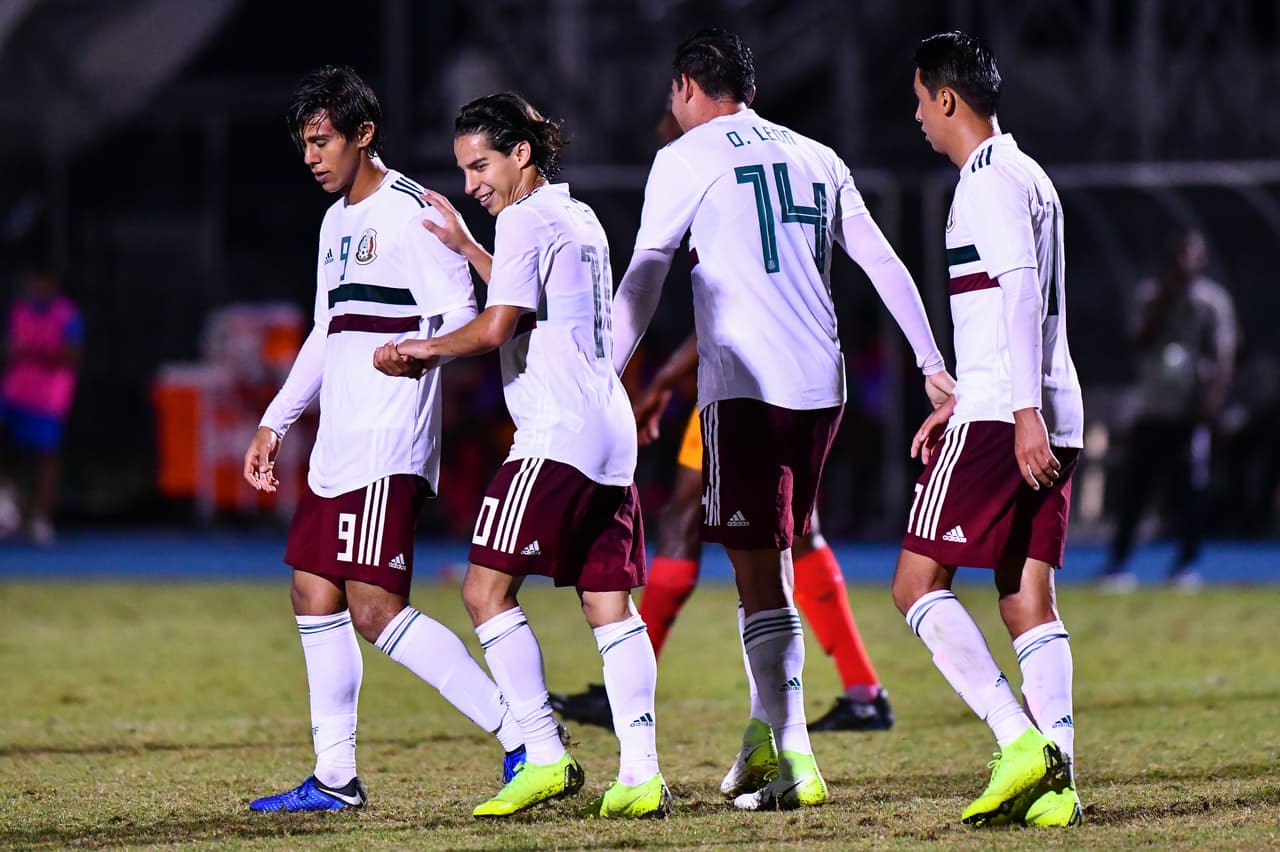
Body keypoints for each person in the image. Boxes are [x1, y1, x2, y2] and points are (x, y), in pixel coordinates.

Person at [611, 28, 953, 811]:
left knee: (759, 582)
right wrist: (932, 363)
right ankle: (765, 738)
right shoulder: (816, 154)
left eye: (673, 94)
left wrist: (601, 374)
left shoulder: (684, 157)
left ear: (689, 87)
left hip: (746, 393)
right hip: (819, 390)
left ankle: (797, 759)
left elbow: (646, 273)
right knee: (785, 560)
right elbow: (882, 261)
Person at [375, 92, 668, 819]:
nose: (473, 183)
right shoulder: (577, 214)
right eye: (464, 169)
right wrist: (467, 247)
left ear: (520, 154)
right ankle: (640, 774)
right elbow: (535, 297)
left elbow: (499, 322)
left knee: (484, 592)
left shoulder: (526, 218)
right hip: (610, 433)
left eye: (480, 166)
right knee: (611, 606)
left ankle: (541, 752)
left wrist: (424, 350)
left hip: (556, 435)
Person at [241, 66, 525, 813]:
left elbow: (463, 318)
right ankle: (334, 777)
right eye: (304, 143)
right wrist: (277, 417)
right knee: (311, 591)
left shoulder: (413, 215)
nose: (311, 156)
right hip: (338, 442)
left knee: (374, 610)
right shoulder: (335, 222)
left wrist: (414, 359)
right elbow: (324, 333)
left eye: (321, 140)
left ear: (363, 135)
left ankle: (522, 732)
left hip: (388, 442)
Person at [895, 31, 1083, 828]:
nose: (916, 120)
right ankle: (1061, 783)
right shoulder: (1031, 175)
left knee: (913, 585)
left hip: (1012, 416)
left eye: (918, 102)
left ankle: (1019, 744)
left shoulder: (986, 182)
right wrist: (986, 397)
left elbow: (1016, 292)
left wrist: (1015, 413)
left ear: (946, 98)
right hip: (1043, 403)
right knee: (1025, 596)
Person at [552, 331, 896, 738]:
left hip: (740, 382)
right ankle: (864, 691)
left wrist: (660, 382)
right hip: (800, 369)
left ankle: (625, 696)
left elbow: (717, 306)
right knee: (795, 529)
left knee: (687, 519)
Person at [1099, 228, 1237, 591]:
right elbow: (1137, 341)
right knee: (1135, 490)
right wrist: (1164, 302)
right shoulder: (1151, 294)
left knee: (1190, 490)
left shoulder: (1212, 303)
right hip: (1152, 408)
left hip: (1189, 413)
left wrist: (1209, 405)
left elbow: (1223, 357)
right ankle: (1119, 563)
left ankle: (1185, 566)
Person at [0, 262, 82, 545]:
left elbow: (71, 356)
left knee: (47, 456)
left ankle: (41, 518)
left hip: (49, 396)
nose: (38, 289)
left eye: (43, 284)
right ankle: (8, 504)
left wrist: (34, 350)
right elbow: (11, 350)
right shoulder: (21, 311)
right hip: (17, 390)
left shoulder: (66, 315)